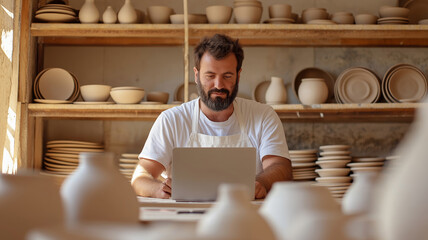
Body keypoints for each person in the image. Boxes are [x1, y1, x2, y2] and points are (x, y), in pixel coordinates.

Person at [131, 34, 292, 199]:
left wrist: (261, 183)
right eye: (210, 76)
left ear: (238, 75)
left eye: (227, 76)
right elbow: (140, 177)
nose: (218, 85)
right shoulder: (171, 120)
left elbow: (280, 167)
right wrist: (158, 190)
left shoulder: (263, 116)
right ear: (196, 75)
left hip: (245, 214)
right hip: (185, 216)